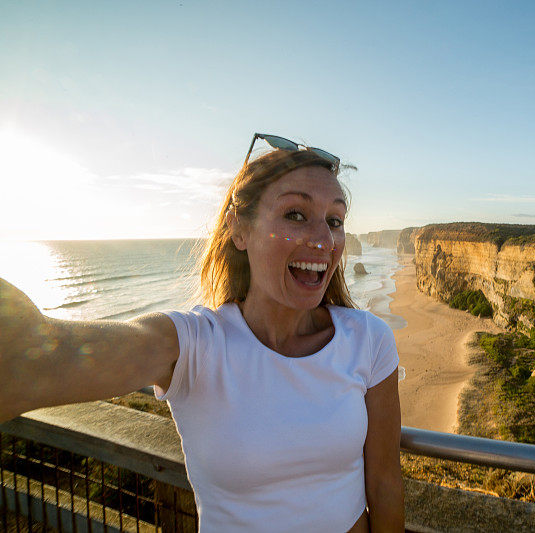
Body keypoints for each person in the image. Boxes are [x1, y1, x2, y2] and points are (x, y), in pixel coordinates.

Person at [0, 134, 405, 532]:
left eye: (335, 221)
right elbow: (46, 358)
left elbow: (385, 486)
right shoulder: (195, 344)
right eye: (296, 215)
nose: (324, 240)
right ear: (239, 230)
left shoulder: (368, 340)